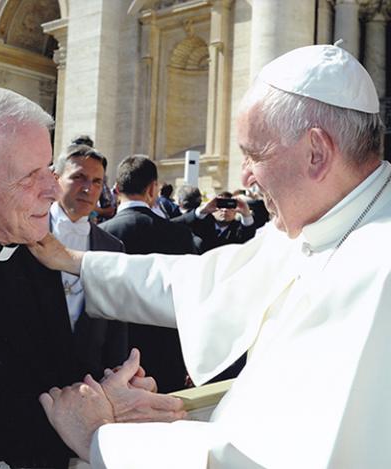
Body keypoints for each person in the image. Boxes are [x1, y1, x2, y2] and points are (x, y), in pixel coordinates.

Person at [30, 43, 391, 468]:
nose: (246, 177)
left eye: (255, 154)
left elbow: (260, 459)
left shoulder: (375, 272)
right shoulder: (318, 223)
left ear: (316, 152)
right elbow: (200, 281)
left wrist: (98, 436)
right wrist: (75, 262)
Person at [0, 85, 185, 468]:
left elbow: (59, 370)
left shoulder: (30, 245)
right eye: (30, 176)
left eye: (50, 170)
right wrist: (84, 415)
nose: (54, 190)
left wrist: (107, 395)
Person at [100, 155, 196, 392]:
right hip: (168, 349)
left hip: (114, 358)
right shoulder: (179, 234)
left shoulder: (101, 234)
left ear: (116, 189)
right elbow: (191, 297)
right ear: (153, 189)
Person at [51, 143, 128, 379]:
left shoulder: (112, 247)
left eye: (96, 182)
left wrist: (115, 372)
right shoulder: (25, 234)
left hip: (88, 378)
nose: (88, 189)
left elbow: (116, 322)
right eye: (79, 177)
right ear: (55, 179)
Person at [173, 190, 256, 253]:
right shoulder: (201, 222)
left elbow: (248, 235)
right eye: (221, 206)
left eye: (229, 206)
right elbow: (173, 225)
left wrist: (246, 214)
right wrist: (202, 211)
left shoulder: (238, 229)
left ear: (235, 211)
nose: (224, 210)